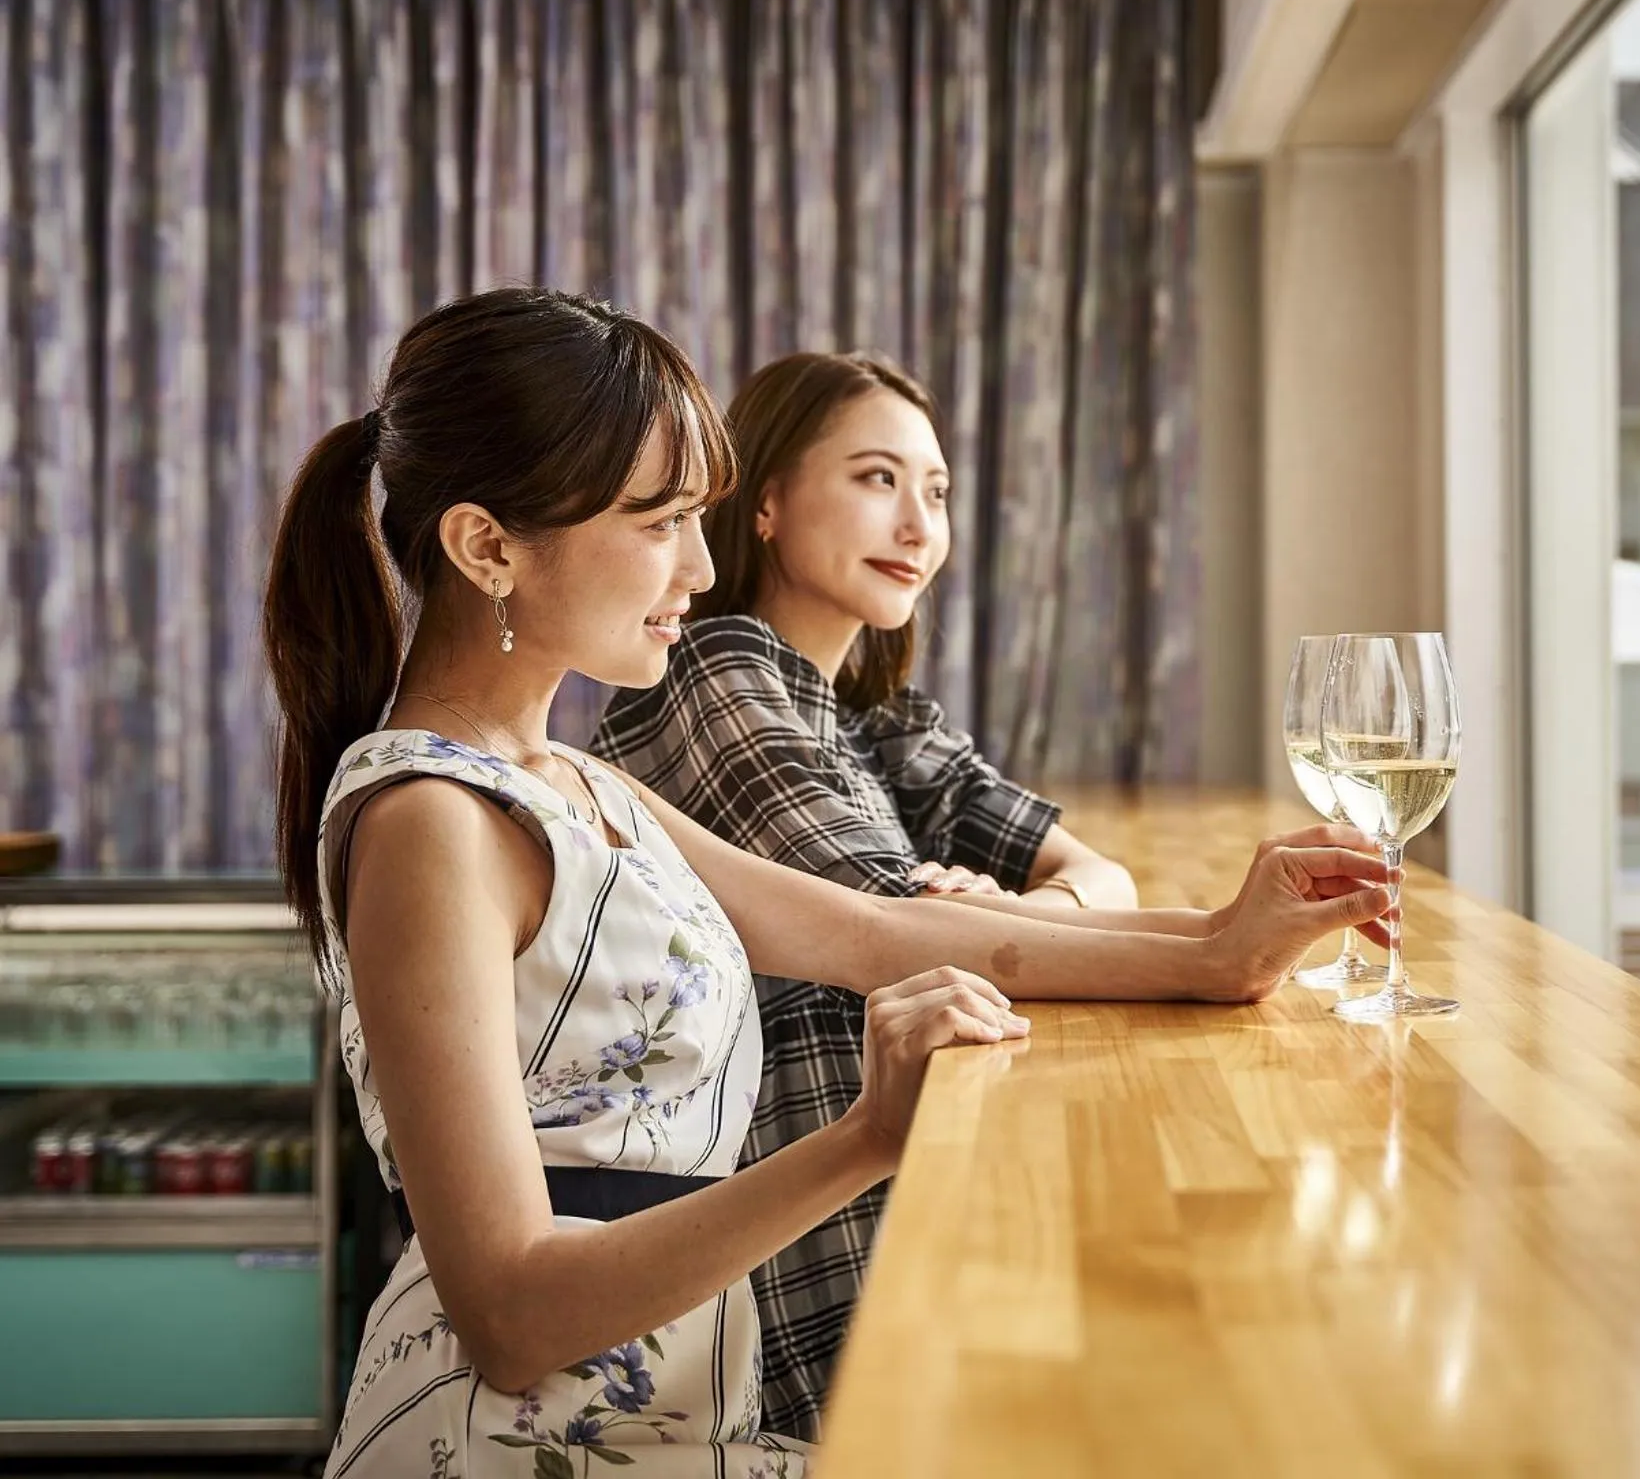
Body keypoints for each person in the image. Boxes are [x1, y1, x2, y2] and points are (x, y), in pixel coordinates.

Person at [265, 293, 1393, 1473]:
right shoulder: (429, 822)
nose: (702, 567)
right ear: (487, 547)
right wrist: (865, 1136)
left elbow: (868, 933)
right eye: (658, 523)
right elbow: (508, 1316)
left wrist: (1218, 947)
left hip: (684, 1408)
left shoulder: (577, 785)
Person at [590, 351, 1400, 1441]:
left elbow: (1094, 876)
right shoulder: (716, 677)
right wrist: (1214, 949)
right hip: (820, 1248)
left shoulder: (879, 725)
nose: (919, 527)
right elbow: (880, 927)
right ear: (767, 502)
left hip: (915, 1179)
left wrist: (1038, 915)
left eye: (935, 493)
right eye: (877, 479)